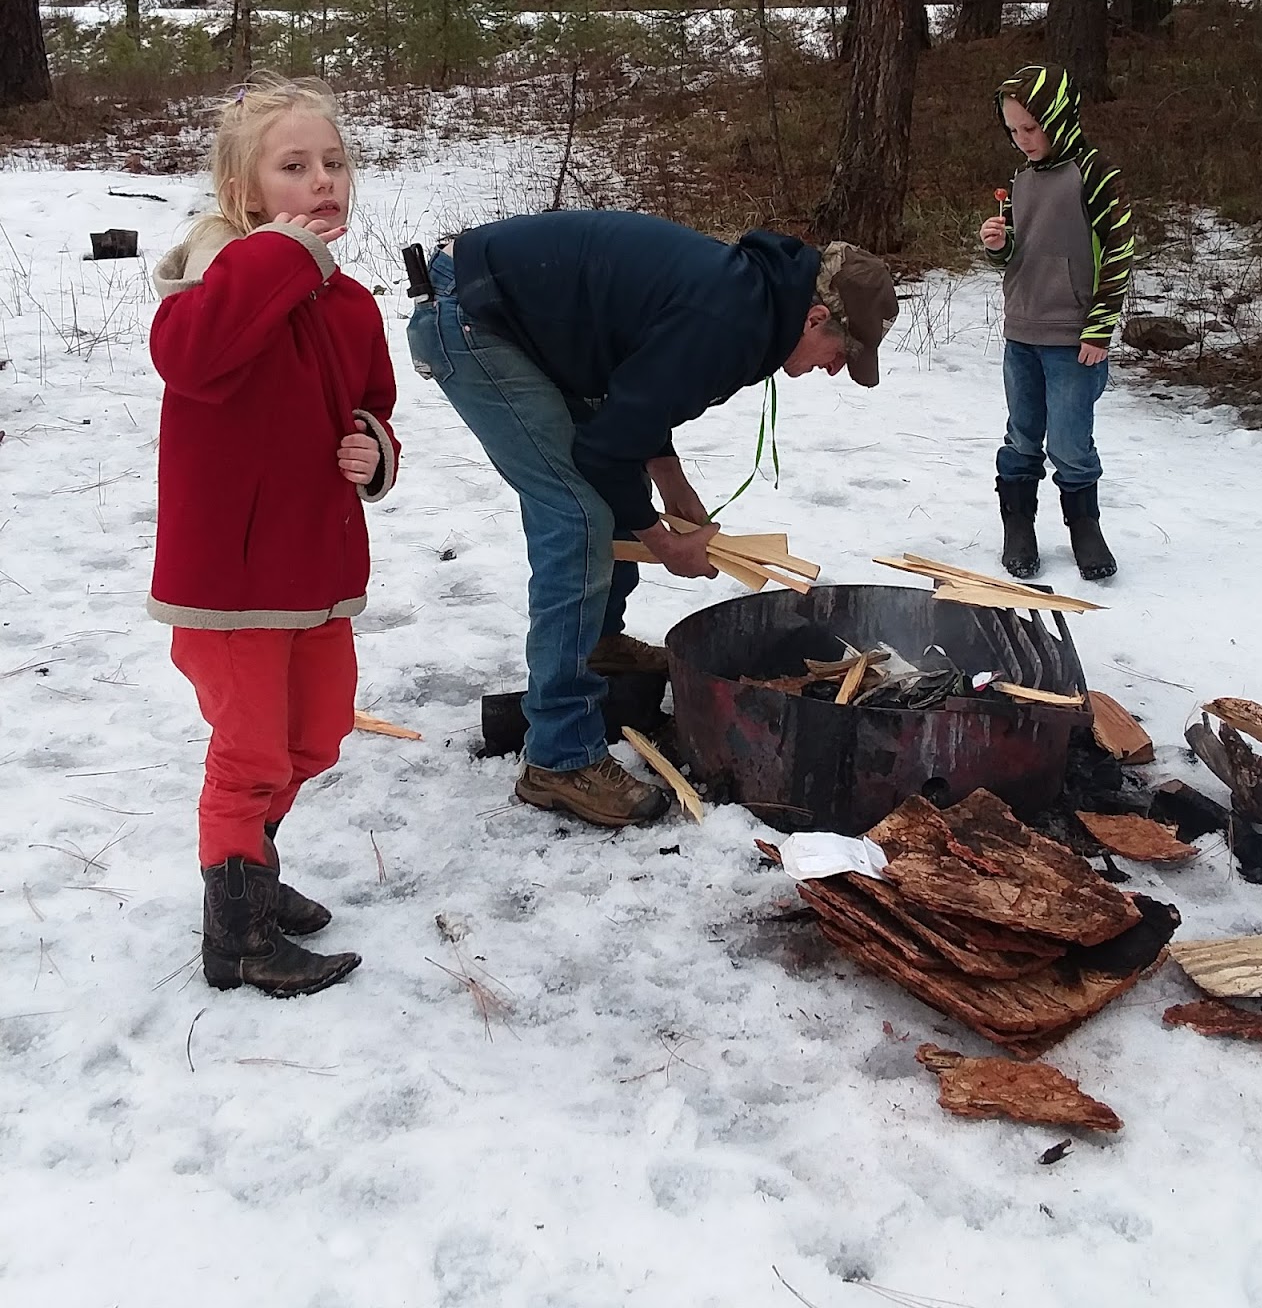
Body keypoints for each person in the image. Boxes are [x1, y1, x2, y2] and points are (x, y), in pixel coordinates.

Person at [408, 213, 898, 829]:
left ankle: (599, 647)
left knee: (614, 490)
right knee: (578, 516)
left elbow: (634, 387)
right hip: (474, 316)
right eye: (839, 353)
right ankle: (559, 758)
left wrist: (670, 480)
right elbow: (604, 448)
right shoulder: (731, 321)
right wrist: (663, 542)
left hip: (516, 312)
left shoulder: (756, 302)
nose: (833, 368)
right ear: (817, 318)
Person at [148, 77, 399, 998]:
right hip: (231, 584)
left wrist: (374, 449)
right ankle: (238, 935)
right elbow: (193, 358)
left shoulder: (350, 303)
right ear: (246, 191)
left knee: (316, 736)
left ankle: (247, 865)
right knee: (250, 754)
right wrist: (281, 256)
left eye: (333, 163)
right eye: (294, 166)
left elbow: (373, 403)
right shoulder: (213, 284)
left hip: (316, 572)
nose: (322, 180)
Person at [978, 63, 1133, 582]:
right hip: (1021, 330)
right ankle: (1018, 526)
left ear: (1059, 116)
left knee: (1069, 441)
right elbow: (1023, 251)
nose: (1023, 140)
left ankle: (1084, 527)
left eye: (1032, 127)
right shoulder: (1019, 180)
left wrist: (1099, 327)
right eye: (1014, 130)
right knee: (1022, 436)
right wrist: (1000, 248)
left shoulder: (1095, 174)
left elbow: (1120, 250)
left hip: (1073, 338)